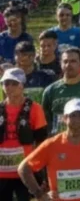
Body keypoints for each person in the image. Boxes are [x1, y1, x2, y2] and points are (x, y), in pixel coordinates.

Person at [0, 68, 48, 201]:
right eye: (6, 83)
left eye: (14, 83)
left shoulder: (35, 108)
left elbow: (41, 142)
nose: (9, 87)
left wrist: (39, 172)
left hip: (25, 171)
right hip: (2, 173)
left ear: (22, 85)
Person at [41, 48, 80, 135]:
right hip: (59, 143)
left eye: (73, 61)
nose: (68, 65)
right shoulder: (50, 91)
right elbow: (44, 121)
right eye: (65, 61)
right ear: (60, 64)